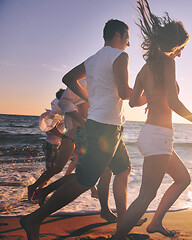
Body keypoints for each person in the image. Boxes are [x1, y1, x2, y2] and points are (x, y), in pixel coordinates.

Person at [20, 19, 145, 240]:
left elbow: (67, 78)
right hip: (105, 127)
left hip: (109, 126)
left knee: (123, 169)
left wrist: (89, 96)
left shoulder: (94, 58)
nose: (128, 41)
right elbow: (126, 94)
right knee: (84, 180)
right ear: (117, 35)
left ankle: (122, 227)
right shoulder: (120, 56)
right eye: (126, 36)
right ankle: (34, 219)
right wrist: (149, 96)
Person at [112, 1, 192, 239]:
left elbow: (132, 101)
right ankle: (118, 237)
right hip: (159, 137)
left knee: (182, 178)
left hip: (152, 136)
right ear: (173, 44)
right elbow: (174, 103)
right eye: (181, 46)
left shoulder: (145, 69)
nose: (181, 51)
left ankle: (155, 222)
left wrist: (151, 99)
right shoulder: (168, 62)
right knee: (146, 195)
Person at [35, 78, 117, 223]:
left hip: (82, 136)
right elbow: (80, 120)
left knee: (88, 174)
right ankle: (40, 196)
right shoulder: (76, 101)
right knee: (92, 174)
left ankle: (43, 192)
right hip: (81, 136)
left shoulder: (75, 101)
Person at [28, 89, 65, 197]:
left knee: (53, 169)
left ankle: (40, 189)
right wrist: (66, 137)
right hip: (51, 143)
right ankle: (38, 190)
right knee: (52, 169)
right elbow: (51, 129)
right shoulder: (54, 114)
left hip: (55, 143)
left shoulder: (60, 112)